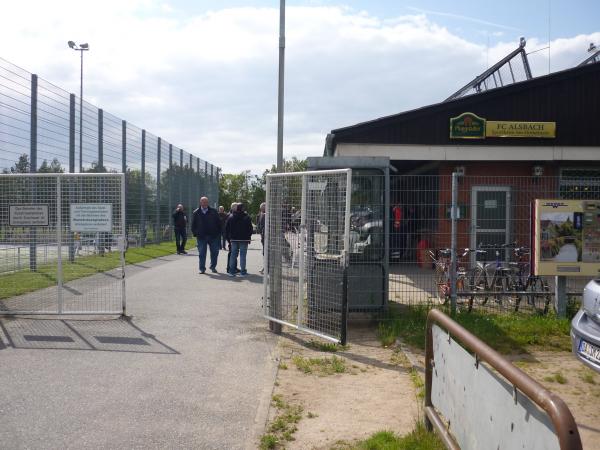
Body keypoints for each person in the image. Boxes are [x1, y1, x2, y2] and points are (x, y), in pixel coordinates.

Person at [191, 197, 221, 273]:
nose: (204, 203)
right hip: (201, 237)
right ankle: (202, 269)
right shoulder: (196, 212)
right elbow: (193, 225)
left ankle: (213, 267)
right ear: (200, 203)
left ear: (208, 203)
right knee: (202, 253)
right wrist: (196, 234)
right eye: (203, 202)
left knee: (215, 252)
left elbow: (219, 223)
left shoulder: (214, 211)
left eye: (206, 202)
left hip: (213, 236)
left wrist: (218, 233)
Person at [225, 203, 253, 277]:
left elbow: (227, 228)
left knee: (233, 255)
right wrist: (248, 236)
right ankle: (243, 272)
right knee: (242, 255)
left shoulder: (231, 217)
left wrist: (229, 238)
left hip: (233, 239)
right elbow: (250, 229)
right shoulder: (247, 217)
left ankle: (231, 272)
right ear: (242, 208)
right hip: (244, 240)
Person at [257, 202, 266, 274]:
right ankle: (265, 267)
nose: (261, 209)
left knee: (266, 253)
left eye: (262, 208)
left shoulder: (266, 215)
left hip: (267, 237)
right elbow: (259, 225)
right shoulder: (261, 214)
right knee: (264, 253)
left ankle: (266, 268)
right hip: (263, 237)